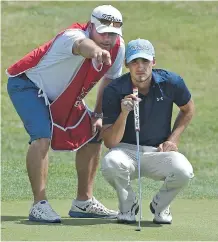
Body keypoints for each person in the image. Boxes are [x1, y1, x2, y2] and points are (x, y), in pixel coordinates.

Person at [6, 5, 125, 223]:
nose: (108, 38)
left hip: (63, 96)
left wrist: (98, 113)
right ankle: (39, 205)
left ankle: (83, 201)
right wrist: (96, 51)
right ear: (91, 26)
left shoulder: (118, 47)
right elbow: (82, 46)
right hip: (28, 86)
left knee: (94, 132)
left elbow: (109, 80)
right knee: (42, 136)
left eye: (113, 33)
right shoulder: (72, 37)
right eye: (103, 32)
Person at [100, 38, 195, 225]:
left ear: (154, 61)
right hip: (125, 151)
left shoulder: (171, 82)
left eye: (145, 61)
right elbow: (110, 143)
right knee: (110, 163)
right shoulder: (114, 90)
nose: (140, 67)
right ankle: (128, 205)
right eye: (135, 62)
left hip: (158, 151)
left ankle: (160, 205)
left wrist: (173, 139)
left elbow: (188, 109)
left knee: (184, 171)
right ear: (127, 64)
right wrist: (124, 112)